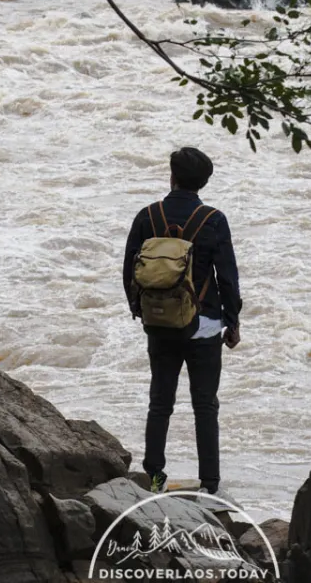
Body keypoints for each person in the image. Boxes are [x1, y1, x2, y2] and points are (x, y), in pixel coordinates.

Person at [123, 146, 241, 495]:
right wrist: (232, 322)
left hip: (160, 323)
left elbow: (130, 269)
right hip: (203, 324)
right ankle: (210, 484)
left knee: (160, 401)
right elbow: (228, 278)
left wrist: (140, 310)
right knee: (205, 404)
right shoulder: (214, 220)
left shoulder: (147, 216)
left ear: (171, 175)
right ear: (203, 183)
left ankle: (155, 478)